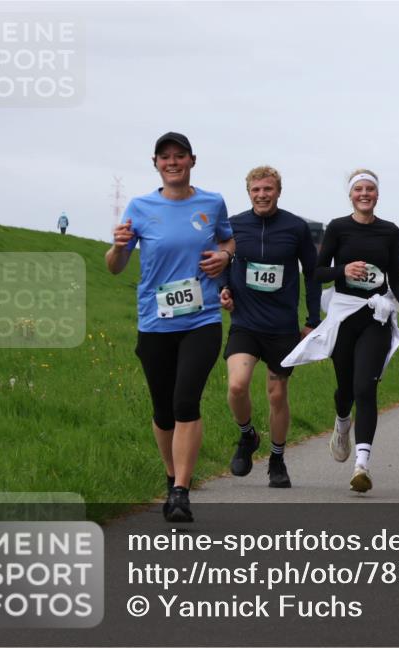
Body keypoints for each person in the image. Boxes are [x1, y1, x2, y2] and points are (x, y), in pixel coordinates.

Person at [105, 132, 234, 522]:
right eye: (165, 157)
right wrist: (116, 245)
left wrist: (224, 258)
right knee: (163, 410)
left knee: (184, 402)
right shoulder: (140, 207)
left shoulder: (212, 203)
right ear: (156, 163)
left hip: (203, 318)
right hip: (155, 322)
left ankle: (181, 491)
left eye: (180, 156)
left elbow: (230, 242)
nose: (173, 162)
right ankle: (170, 474)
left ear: (192, 160)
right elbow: (115, 266)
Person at [282, 169, 399, 493]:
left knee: (365, 387)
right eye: (358, 188)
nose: (364, 193)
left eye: (370, 189)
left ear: (377, 195)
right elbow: (316, 272)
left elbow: (396, 279)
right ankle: (342, 422)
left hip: (375, 317)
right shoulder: (338, 228)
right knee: (345, 389)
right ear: (350, 194)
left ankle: (362, 465)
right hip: (345, 314)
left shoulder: (390, 231)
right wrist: (343, 269)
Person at [218, 165, 322, 489]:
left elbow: (313, 273)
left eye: (268, 189)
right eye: (256, 190)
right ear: (248, 192)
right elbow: (222, 260)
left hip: (281, 327)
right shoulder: (234, 226)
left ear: (278, 191)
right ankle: (248, 435)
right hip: (245, 323)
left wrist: (312, 320)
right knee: (237, 386)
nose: (262, 195)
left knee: (277, 394)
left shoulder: (295, 228)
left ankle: (277, 459)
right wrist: (224, 288)